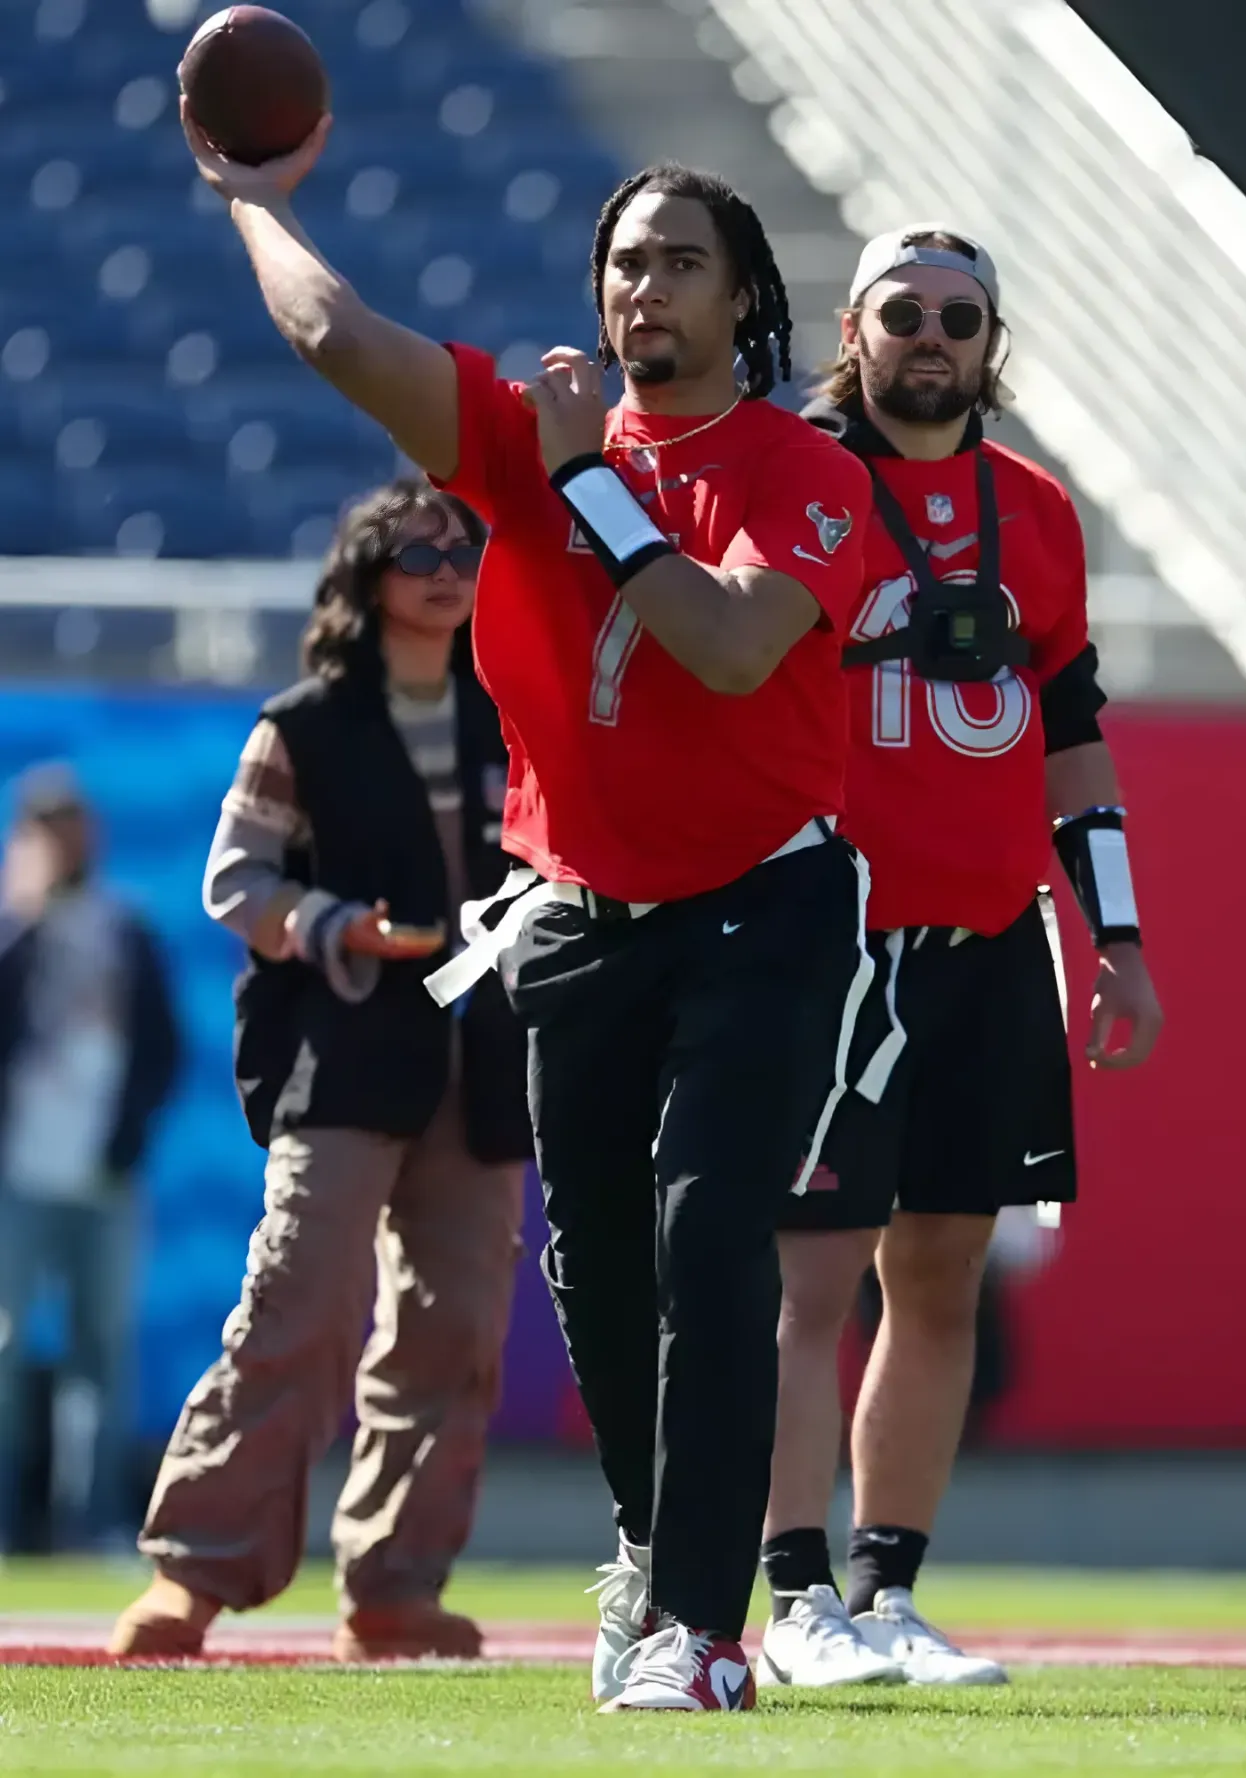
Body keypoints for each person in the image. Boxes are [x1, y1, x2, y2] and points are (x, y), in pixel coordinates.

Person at [179, 101, 875, 1711]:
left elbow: (721, 641)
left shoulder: (805, 469)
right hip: (572, 903)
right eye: (626, 264)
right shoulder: (529, 434)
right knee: (604, 1266)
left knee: (714, 1236)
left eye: (682, 266)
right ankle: (648, 1554)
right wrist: (251, 197)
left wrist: (586, 487)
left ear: (743, 300)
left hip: (761, 900)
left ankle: (705, 1625)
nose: (646, 292)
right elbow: (333, 335)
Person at [757, 228, 1165, 1689]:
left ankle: (886, 1591)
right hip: (828, 929)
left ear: (993, 343)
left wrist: (1114, 931)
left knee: (938, 1274)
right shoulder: (789, 478)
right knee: (807, 1283)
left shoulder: (1038, 512)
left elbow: (1072, 729)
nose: (933, 338)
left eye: (960, 318)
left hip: (991, 933)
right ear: (853, 332)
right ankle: (791, 1591)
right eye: (905, 314)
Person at [110, 478, 533, 1662]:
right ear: (365, 572)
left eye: (463, 545)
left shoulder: (516, 708)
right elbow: (232, 882)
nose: (446, 564)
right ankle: (190, 1578)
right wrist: (339, 923)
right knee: (298, 1307)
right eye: (417, 547)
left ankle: (395, 1589)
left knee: (456, 1331)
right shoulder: (300, 721)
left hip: (486, 1058)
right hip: (346, 1051)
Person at [0, 765, 181, 1552]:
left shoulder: (125, 925)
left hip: (104, 1176)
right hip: (18, 1173)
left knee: (99, 1350)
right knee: (4, 1345)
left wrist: (129, 1135)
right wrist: (26, 915)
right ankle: (9, 1519)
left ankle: (92, 1519)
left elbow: (163, 1046)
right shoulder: (14, 928)